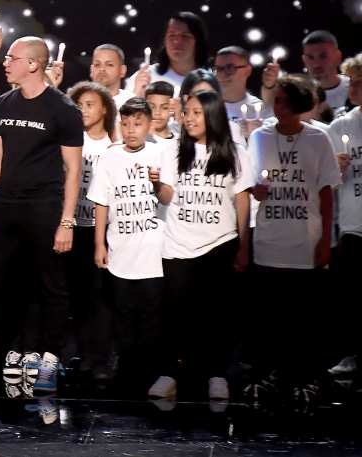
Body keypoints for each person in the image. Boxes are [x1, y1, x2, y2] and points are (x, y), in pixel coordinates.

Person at [0, 36, 83, 395]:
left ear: (33, 64)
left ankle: (49, 360)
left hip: (44, 208)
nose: (6, 63)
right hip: (5, 206)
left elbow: (73, 170)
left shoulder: (64, 109)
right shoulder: (3, 104)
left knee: (50, 287)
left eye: (12, 58)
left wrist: (66, 222)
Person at [147, 89, 253, 402]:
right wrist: (156, 185)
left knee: (216, 316)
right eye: (187, 112)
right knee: (176, 315)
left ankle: (216, 374)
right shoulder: (174, 151)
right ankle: (170, 373)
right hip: (179, 245)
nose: (189, 118)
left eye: (196, 112)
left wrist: (244, 244)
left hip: (220, 243)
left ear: (213, 116)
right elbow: (167, 197)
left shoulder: (234, 153)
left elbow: (242, 199)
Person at [247, 75, 340, 402]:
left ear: (300, 105)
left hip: (305, 245)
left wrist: (325, 241)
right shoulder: (259, 136)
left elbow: (327, 195)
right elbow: (250, 187)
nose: (278, 106)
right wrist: (257, 191)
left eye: (285, 100)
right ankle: (267, 375)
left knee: (304, 322)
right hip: (268, 244)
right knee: (269, 320)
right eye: (277, 100)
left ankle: (304, 378)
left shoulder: (318, 139)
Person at [88, 98, 166, 398]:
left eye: (138, 124)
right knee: (123, 313)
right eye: (126, 123)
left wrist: (159, 184)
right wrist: (99, 244)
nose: (131, 130)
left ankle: (148, 371)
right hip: (120, 249)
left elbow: (169, 196)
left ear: (149, 124)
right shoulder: (110, 158)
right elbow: (101, 202)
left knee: (150, 315)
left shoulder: (161, 153)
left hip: (153, 252)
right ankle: (125, 368)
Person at [66, 81, 116, 378]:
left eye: (90, 104)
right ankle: (77, 356)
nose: (83, 110)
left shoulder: (112, 145)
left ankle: (100, 358)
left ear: (105, 109)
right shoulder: (69, 141)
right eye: (79, 105)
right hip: (72, 228)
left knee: (100, 298)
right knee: (75, 296)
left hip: (102, 231)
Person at [327, 53, 362, 377]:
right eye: (352, 82)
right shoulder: (341, 126)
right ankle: (352, 355)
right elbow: (324, 183)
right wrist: (334, 171)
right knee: (352, 296)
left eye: (360, 82)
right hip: (353, 224)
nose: (353, 88)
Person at [129, 11, 210, 95]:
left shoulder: (210, 81)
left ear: (198, 41)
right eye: (172, 35)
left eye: (185, 36)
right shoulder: (145, 77)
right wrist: (137, 94)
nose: (177, 41)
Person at [212, 45, 270, 123]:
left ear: (248, 70)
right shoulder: (202, 107)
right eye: (218, 69)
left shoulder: (260, 112)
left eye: (230, 68)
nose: (222, 74)